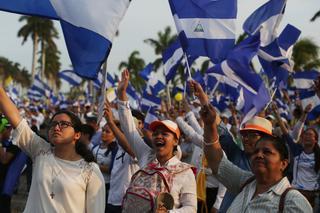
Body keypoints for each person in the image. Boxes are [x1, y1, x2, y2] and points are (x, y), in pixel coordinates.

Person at [0, 86, 105, 213]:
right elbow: (15, 117)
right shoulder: (39, 150)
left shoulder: (90, 170)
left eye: (64, 124)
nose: (56, 128)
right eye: (54, 124)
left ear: (77, 135)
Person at [200, 103, 313, 212]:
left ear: (283, 163)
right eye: (256, 151)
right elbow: (216, 160)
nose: (259, 155)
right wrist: (210, 125)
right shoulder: (245, 182)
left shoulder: (294, 202)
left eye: (267, 152)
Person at [117, 70, 197, 212]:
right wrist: (122, 94)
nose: (158, 136)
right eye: (156, 133)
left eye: (165, 134)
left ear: (175, 141)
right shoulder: (146, 155)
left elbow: (191, 208)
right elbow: (128, 127)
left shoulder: (185, 172)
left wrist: (169, 212)